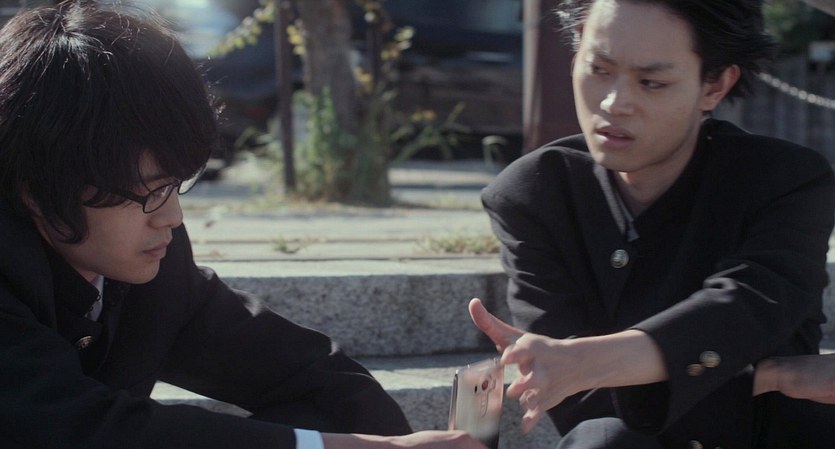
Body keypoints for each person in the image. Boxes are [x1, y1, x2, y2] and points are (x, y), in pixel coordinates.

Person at [0, 2, 485, 449]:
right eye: (147, 192)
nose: (172, 217)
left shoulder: (153, 262)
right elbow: (78, 428)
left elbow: (317, 378)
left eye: (175, 186)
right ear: (37, 189)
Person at [470, 0, 835, 447]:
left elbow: (747, 305)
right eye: (598, 69)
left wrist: (592, 362)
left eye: (651, 82)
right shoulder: (534, 194)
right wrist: (773, 375)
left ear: (715, 85)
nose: (614, 103)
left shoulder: (785, 181)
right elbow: (578, 396)